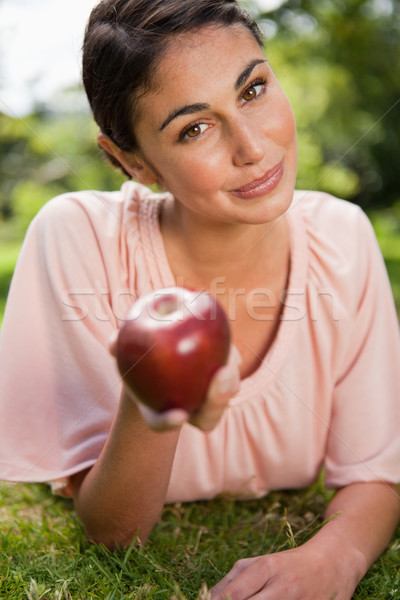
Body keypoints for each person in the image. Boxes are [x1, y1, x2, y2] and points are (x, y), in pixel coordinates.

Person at [0, 0, 399, 597]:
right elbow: (114, 534)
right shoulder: (78, 238)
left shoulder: (341, 238)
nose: (252, 147)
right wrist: (153, 405)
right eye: (194, 128)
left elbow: (376, 471)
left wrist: (334, 557)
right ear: (130, 160)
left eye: (254, 89)